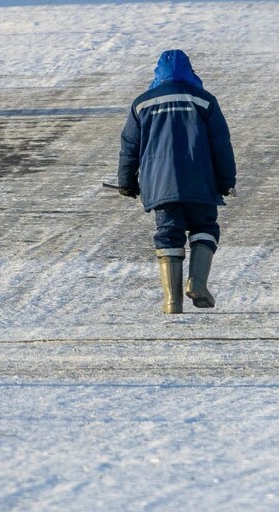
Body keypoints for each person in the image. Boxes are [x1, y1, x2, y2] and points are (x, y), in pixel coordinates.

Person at [116, 49, 237, 314]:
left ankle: (172, 301)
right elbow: (221, 144)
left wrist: (126, 182)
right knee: (204, 227)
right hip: (201, 183)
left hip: (160, 185)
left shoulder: (141, 105)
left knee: (168, 235)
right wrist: (227, 180)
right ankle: (197, 282)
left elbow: (129, 146)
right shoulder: (204, 101)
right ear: (189, 71)